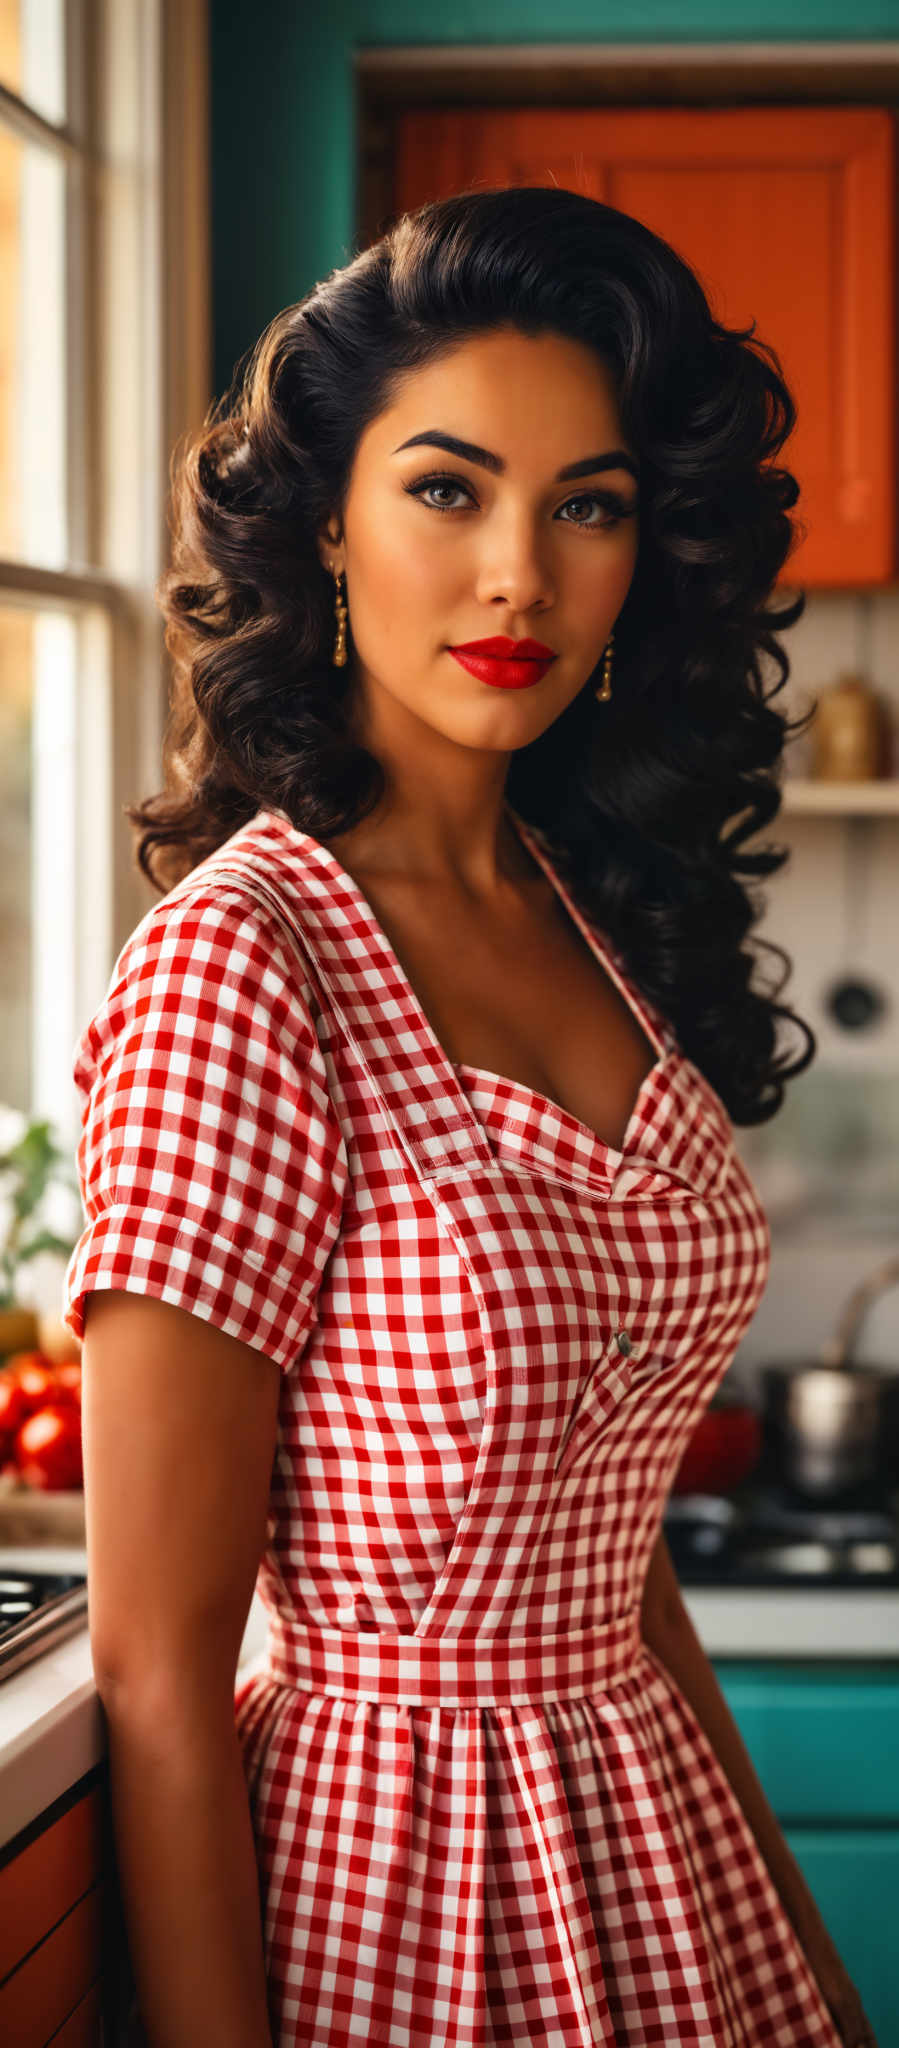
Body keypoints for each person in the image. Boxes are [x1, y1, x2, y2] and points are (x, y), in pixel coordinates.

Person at [63, 186, 877, 2047]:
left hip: (672, 1872)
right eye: (448, 490)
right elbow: (157, 1665)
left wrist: (801, 1960)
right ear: (328, 526)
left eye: (585, 507)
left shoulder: (588, 917)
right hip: (405, 1895)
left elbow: (617, 1563)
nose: (521, 573)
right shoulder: (241, 968)